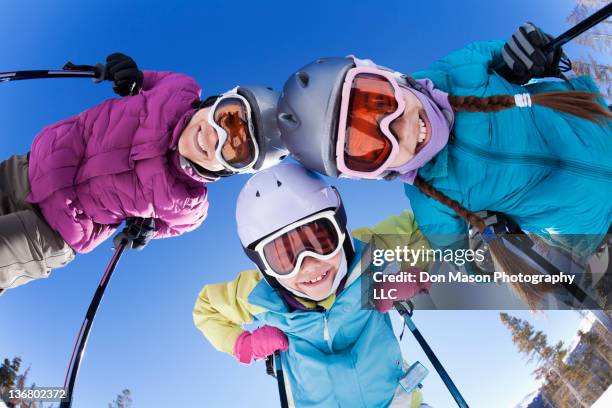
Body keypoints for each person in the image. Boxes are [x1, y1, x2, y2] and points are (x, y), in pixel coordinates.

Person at [275, 23, 612, 308]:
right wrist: (485, 254)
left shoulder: (459, 70)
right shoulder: (431, 203)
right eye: (369, 147)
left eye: (379, 102)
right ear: (373, 173)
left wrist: (536, 53)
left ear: (388, 76)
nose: (400, 129)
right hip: (597, 229)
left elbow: (516, 51)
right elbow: (463, 263)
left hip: (601, 123)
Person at [0, 53, 287, 293]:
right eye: (228, 117)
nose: (215, 137)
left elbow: (168, 227)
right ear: (216, 100)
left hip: (51, 230)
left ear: (228, 171)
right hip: (26, 168)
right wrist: (127, 74)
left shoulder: (189, 205)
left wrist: (146, 229)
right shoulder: (179, 88)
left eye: (234, 150)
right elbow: (144, 79)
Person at [193, 163, 431, 408]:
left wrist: (415, 274)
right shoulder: (259, 295)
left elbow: (426, 228)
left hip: (397, 401)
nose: (308, 265)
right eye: (284, 257)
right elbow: (207, 308)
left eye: (320, 241)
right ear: (265, 267)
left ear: (341, 229)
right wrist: (244, 344)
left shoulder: (367, 253)